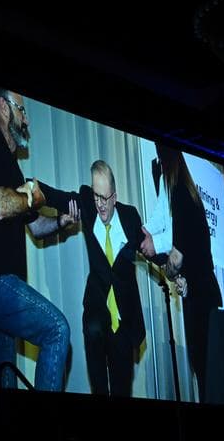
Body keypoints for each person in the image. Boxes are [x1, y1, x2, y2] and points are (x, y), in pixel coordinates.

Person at [0, 87, 75, 391]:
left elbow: (36, 227)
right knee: (57, 330)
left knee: (4, 385)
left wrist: (61, 222)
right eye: (21, 110)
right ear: (4, 107)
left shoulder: (12, 168)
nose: (26, 120)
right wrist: (33, 197)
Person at [38, 161, 146, 396]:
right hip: (96, 313)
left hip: (124, 319)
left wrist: (174, 268)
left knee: (122, 391)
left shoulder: (130, 217)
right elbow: (56, 197)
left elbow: (150, 248)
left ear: (114, 197)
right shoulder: (88, 205)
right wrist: (30, 187)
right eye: (97, 196)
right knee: (99, 390)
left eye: (105, 198)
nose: (100, 205)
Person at [138, 143, 222, 402]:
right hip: (201, 294)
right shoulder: (179, 189)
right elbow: (159, 218)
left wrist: (155, 251)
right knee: (205, 371)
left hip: (202, 299)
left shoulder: (183, 196)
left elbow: (175, 257)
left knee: (208, 374)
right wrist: (143, 233)